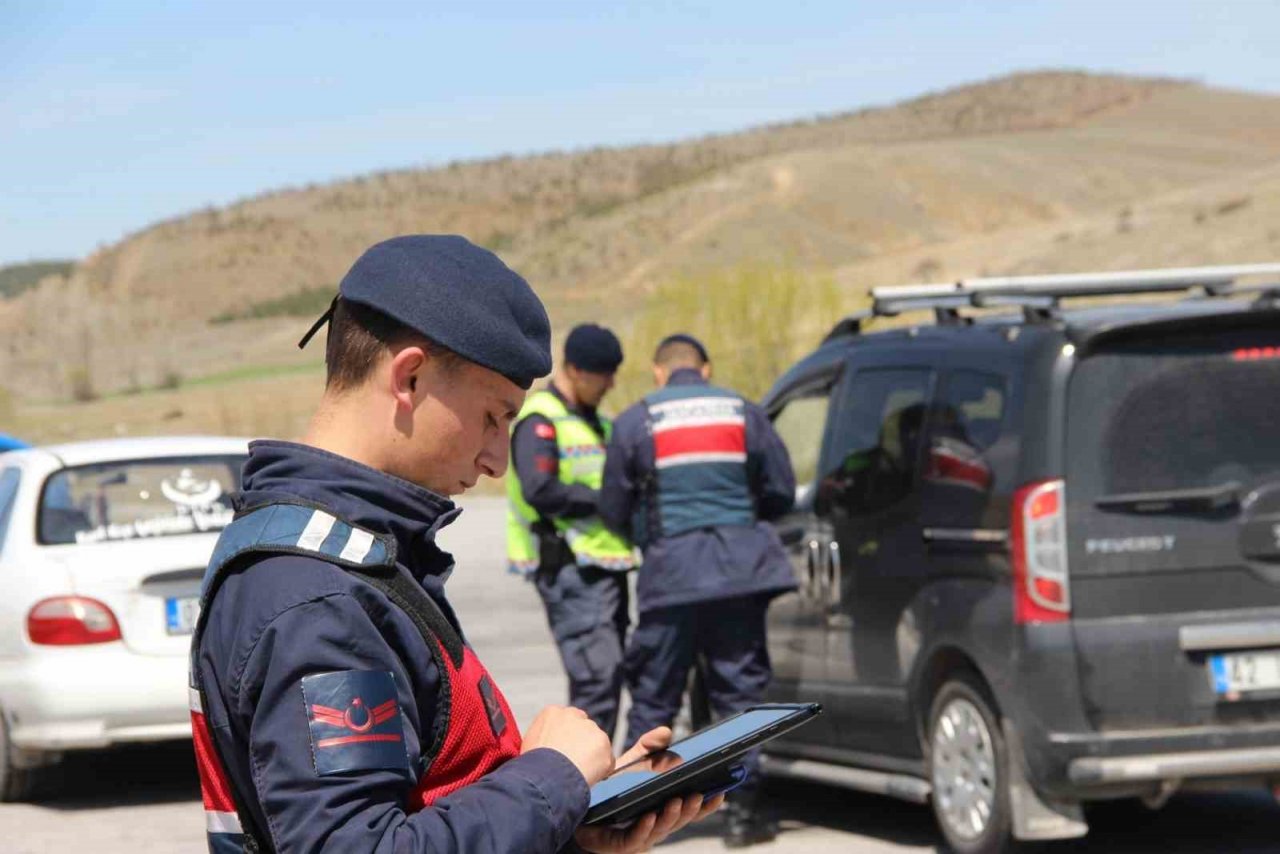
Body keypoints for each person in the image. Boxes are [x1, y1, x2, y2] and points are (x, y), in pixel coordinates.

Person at [188, 236, 720, 854]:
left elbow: (429, 802)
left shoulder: (356, 563)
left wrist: (570, 829)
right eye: (493, 417)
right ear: (409, 377)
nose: (497, 460)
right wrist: (552, 777)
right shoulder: (317, 596)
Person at [599, 333, 797, 849]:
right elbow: (780, 491)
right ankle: (741, 816)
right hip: (739, 578)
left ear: (658, 372)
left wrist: (652, 537)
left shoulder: (637, 421)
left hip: (670, 581)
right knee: (740, 697)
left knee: (654, 699)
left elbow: (613, 508)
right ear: (705, 370)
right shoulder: (744, 412)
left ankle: (635, 816)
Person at [507, 323, 637, 738]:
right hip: (569, 567)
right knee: (597, 680)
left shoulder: (598, 424)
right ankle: (583, 774)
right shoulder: (541, 420)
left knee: (608, 678)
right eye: (604, 375)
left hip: (604, 566)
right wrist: (606, 500)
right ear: (577, 371)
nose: (611, 384)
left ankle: (596, 768)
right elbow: (540, 489)